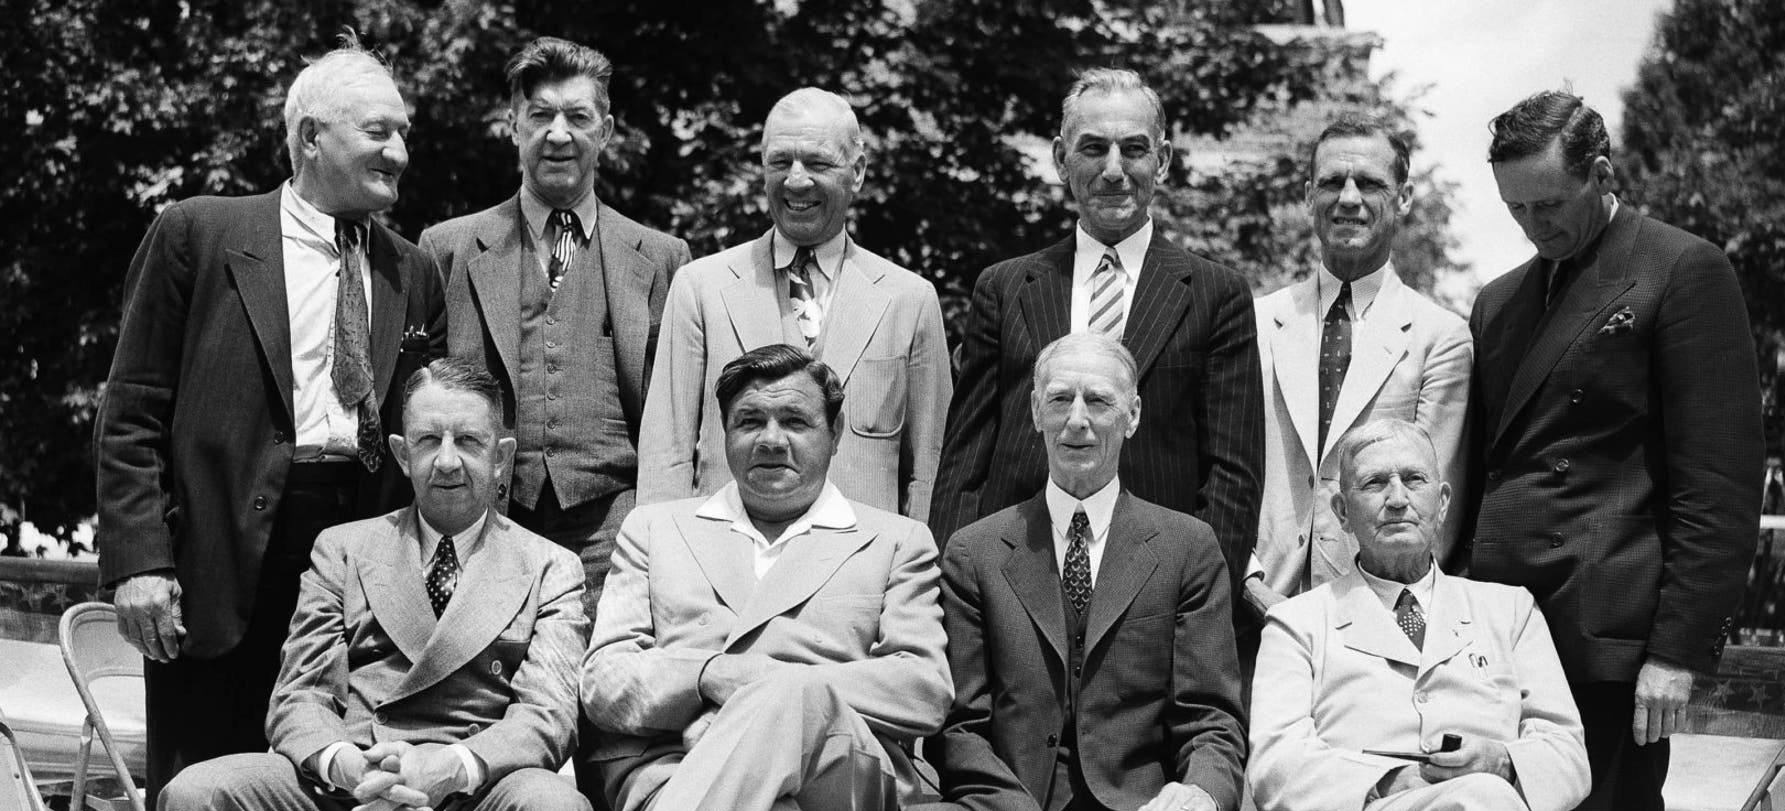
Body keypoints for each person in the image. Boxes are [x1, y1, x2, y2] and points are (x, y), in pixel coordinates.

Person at [93, 36, 446, 811]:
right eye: (379, 131)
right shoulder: (199, 233)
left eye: (403, 135)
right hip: (212, 563)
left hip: (353, 565)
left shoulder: (406, 266)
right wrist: (141, 559)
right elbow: (133, 407)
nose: (398, 153)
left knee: (334, 805)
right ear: (307, 136)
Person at [478, 345, 954, 811]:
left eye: (795, 420)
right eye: (749, 420)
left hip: (843, 803)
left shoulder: (894, 541)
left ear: (835, 433)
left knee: (790, 690)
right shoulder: (657, 530)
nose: (771, 438)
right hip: (675, 788)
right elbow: (605, 683)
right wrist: (705, 678)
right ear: (720, 434)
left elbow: (922, 686)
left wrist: (768, 697)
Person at [157, 359, 596, 811]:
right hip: (345, 801)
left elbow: (546, 720)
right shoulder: (344, 548)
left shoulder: (550, 567)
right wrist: (343, 763)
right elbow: (298, 696)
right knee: (197, 796)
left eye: (469, 442)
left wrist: (446, 767)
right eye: (427, 442)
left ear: (503, 455)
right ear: (399, 451)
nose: (447, 462)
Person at [1465, 89, 1764, 811]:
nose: (1535, 226)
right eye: (1516, 209)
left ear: (1603, 174)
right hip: (1495, 636)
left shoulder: (1681, 270)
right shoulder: (1499, 302)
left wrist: (1677, 648)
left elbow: (1716, 485)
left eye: (1550, 206)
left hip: (1610, 640)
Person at [874, 332, 1250, 811]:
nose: (1079, 418)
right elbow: (957, 727)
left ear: (1132, 416)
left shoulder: (1187, 547)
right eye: (1060, 400)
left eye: (1099, 401)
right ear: (1035, 415)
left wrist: (1202, 788)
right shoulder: (976, 550)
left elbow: (1211, 717)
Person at [1252, 418, 1591, 811]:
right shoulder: (1299, 624)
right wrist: (1391, 779)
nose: (1397, 497)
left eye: (1413, 480)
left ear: (1442, 502)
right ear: (1340, 511)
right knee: (1481, 802)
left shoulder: (1507, 610)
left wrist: (1502, 762)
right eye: (1374, 483)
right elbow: (1273, 768)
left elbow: (1570, 756)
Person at [929, 68, 1263, 605]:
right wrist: (960, 598)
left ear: (1163, 160)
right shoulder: (1006, 288)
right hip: (1016, 584)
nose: (1114, 170)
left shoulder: (1215, 295)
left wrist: (1194, 603)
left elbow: (1233, 475)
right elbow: (964, 465)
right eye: (1093, 148)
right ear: (1061, 159)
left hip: (1157, 592)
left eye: (1133, 149)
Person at [420, 35, 690, 611]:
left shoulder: (664, 257)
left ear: (606, 130)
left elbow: (680, 416)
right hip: (485, 518)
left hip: (615, 524)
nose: (558, 133)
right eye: (540, 116)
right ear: (514, 127)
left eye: (577, 116)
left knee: (604, 688)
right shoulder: (448, 249)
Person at [636, 89, 950, 521]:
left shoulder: (910, 300)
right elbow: (665, 453)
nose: (796, 180)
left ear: (857, 172)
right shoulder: (700, 288)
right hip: (728, 566)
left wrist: (918, 574)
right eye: (780, 162)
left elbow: (930, 470)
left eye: (818, 163)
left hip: (860, 571)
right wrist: (662, 563)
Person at [1245, 112, 1471, 610]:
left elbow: (1428, 504)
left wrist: (1362, 612)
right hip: (1256, 613)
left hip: (1376, 616)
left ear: (1404, 198)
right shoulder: (1256, 323)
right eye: (1331, 183)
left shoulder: (1441, 338)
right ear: (1308, 197)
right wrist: (1250, 586)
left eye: (1369, 183)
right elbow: (1225, 472)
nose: (1349, 198)